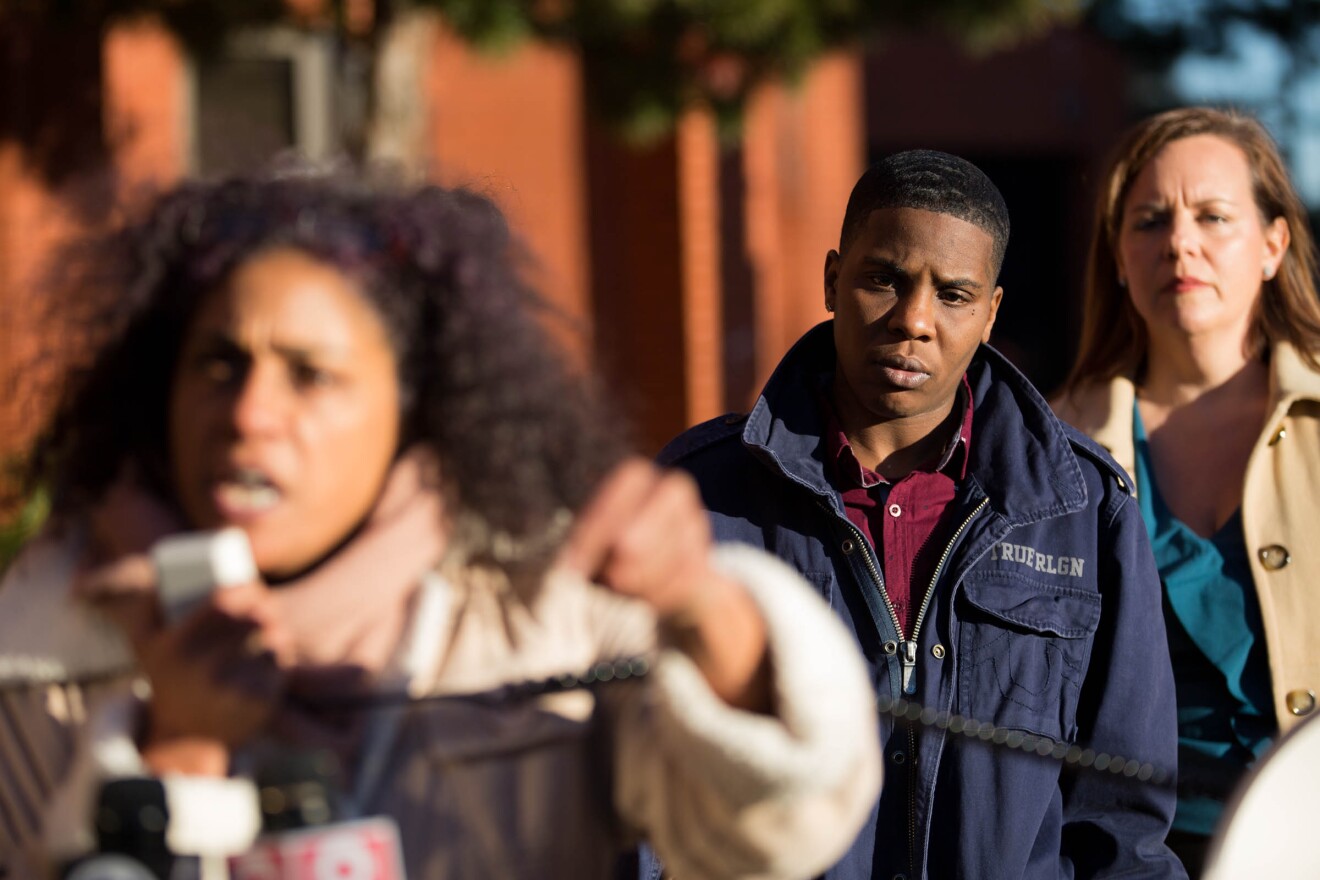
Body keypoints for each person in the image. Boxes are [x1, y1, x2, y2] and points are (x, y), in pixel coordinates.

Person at [0, 169, 881, 879]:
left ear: (413, 411)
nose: (250, 413)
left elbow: (775, 840)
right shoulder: (42, 645)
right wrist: (176, 752)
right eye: (220, 364)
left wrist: (704, 609)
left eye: (310, 374)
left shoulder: (550, 608)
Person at [659, 150, 1185, 878]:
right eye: (885, 279)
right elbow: (646, 790)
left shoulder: (1085, 510)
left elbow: (1122, 826)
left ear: (991, 313)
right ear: (832, 280)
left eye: (954, 294)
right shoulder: (696, 499)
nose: (914, 320)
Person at [1051, 106, 1320, 876]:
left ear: (1273, 244)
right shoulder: (1047, 451)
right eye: (1150, 220)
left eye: (1213, 215)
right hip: (1128, 859)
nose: (1180, 242)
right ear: (1118, 256)